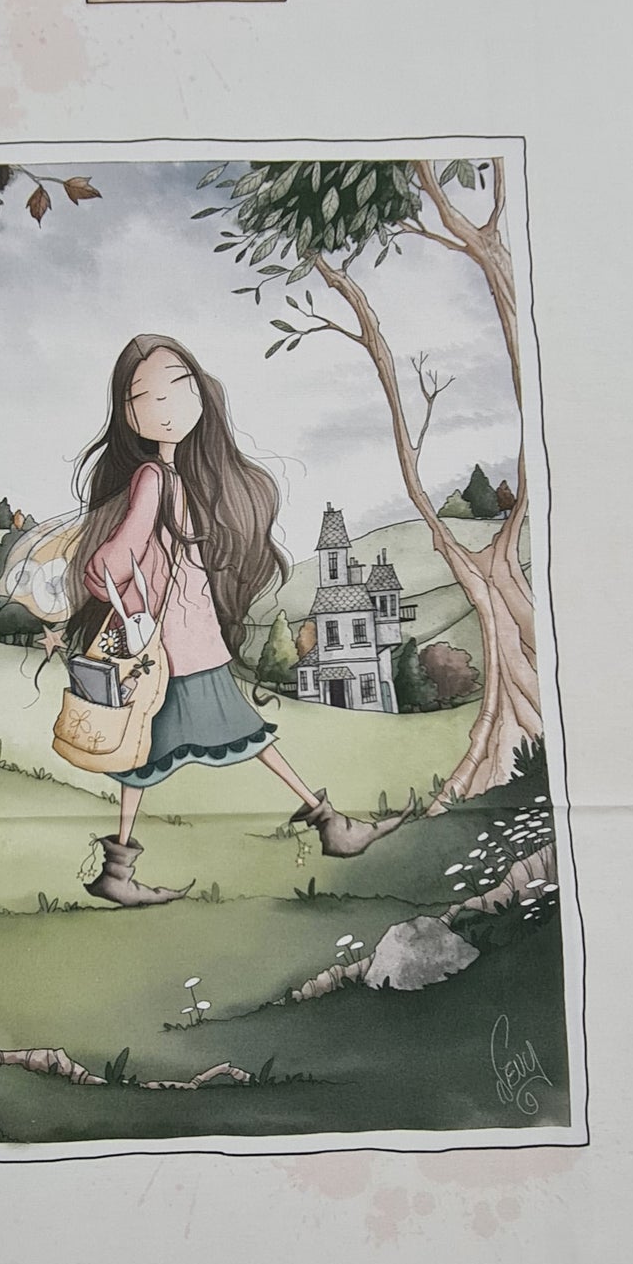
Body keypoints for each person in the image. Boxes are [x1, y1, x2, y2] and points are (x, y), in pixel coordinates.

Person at [64, 333, 403, 907]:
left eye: (181, 388)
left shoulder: (178, 477)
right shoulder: (154, 479)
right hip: (176, 646)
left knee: (157, 749)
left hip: (181, 641)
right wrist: (106, 573)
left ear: (202, 393)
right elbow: (120, 553)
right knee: (224, 736)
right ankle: (331, 825)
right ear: (128, 413)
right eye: (148, 397)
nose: (168, 406)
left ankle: (119, 871)